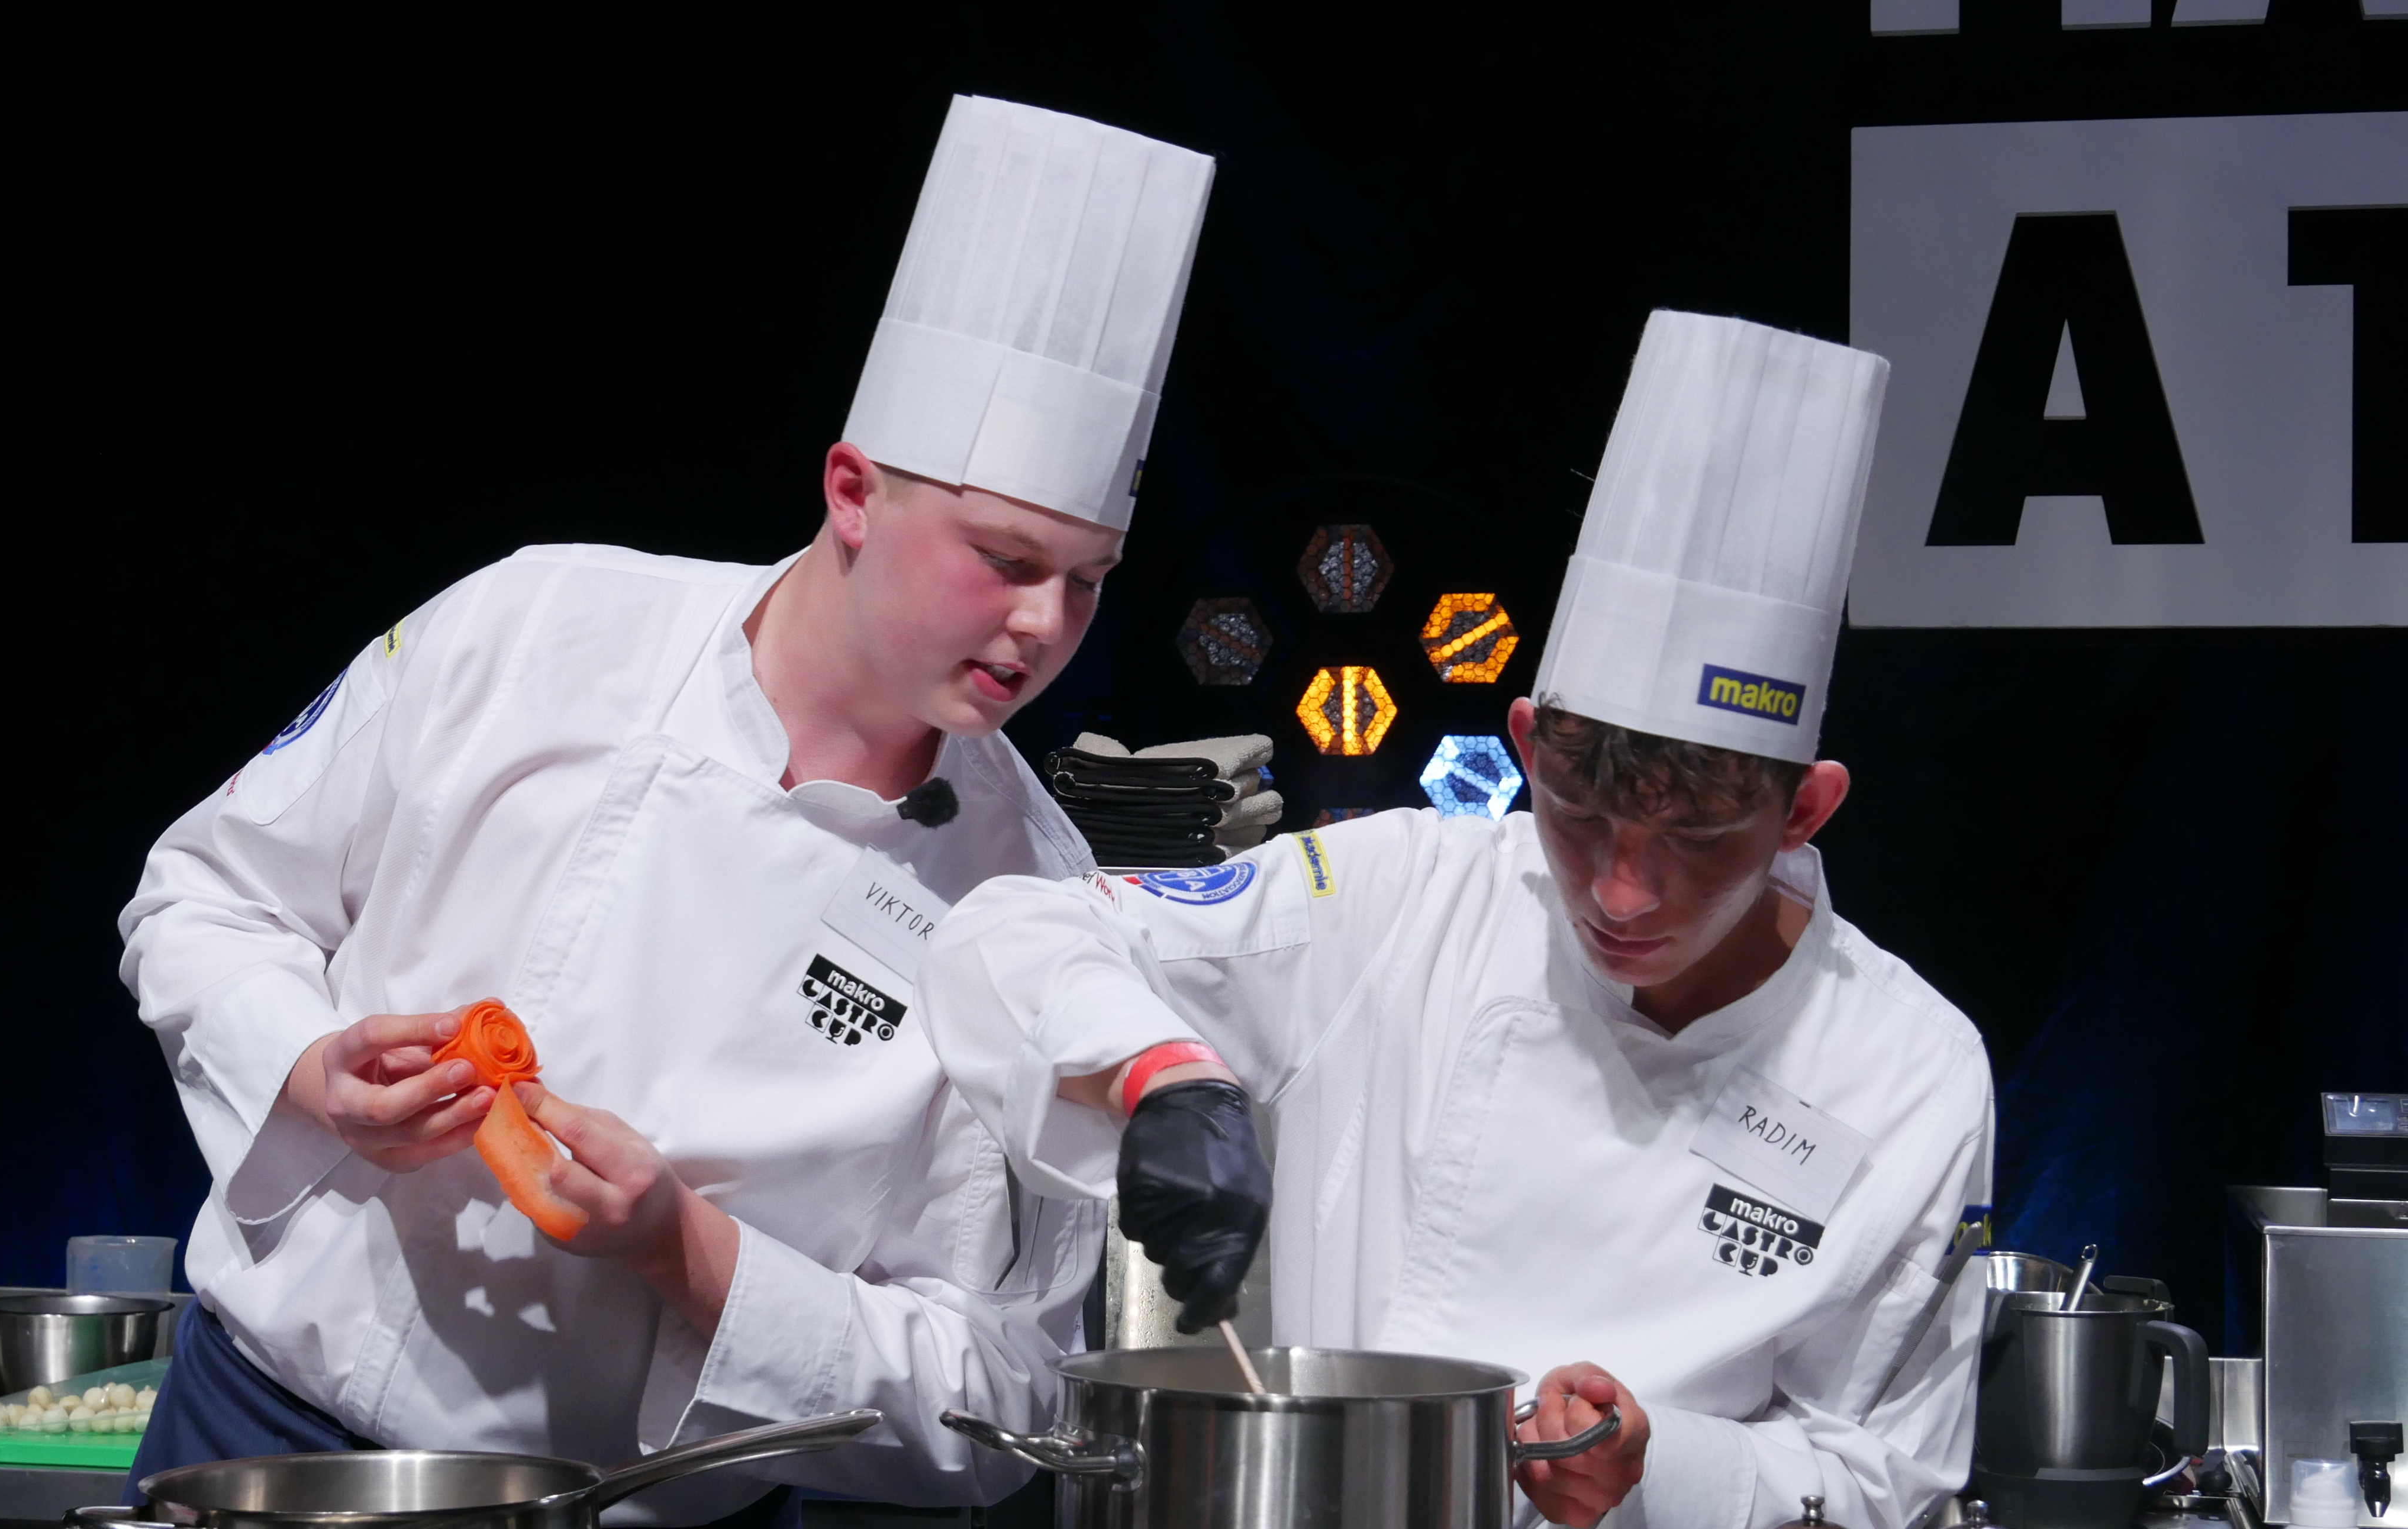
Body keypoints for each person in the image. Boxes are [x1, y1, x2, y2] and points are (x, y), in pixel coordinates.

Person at [117, 95, 1214, 1525]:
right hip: (255, 1430)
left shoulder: (1030, 910)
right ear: (854, 491)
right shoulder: (538, 623)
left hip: (623, 1502)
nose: (1046, 623)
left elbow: (1002, 1394)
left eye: (1089, 579)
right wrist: (310, 1065)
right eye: (1006, 558)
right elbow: (200, 895)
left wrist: (687, 1250)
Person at [921, 311, 1998, 1529]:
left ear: (1804, 809)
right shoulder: (1405, 895)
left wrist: (1662, 1470)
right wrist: (1157, 1073)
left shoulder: (1910, 1069)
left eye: (1694, 842)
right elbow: (1014, 935)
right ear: (1528, 744)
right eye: (1580, 815)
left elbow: (1889, 1484)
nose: (1620, 892)